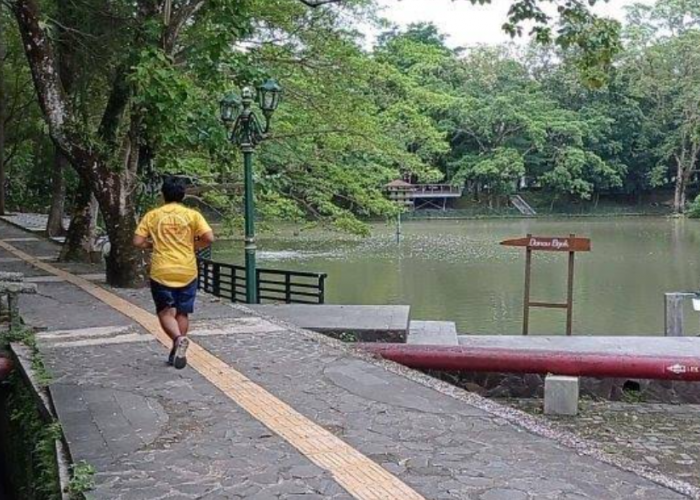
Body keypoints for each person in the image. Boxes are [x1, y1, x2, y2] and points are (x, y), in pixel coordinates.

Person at [133, 177, 214, 369]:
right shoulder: (192, 215)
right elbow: (209, 238)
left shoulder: (153, 215)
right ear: (183, 195)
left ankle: (178, 340)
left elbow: (137, 242)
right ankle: (176, 349)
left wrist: (151, 244)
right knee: (182, 312)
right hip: (187, 270)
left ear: (163, 195)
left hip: (162, 270)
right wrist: (193, 246)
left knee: (165, 312)